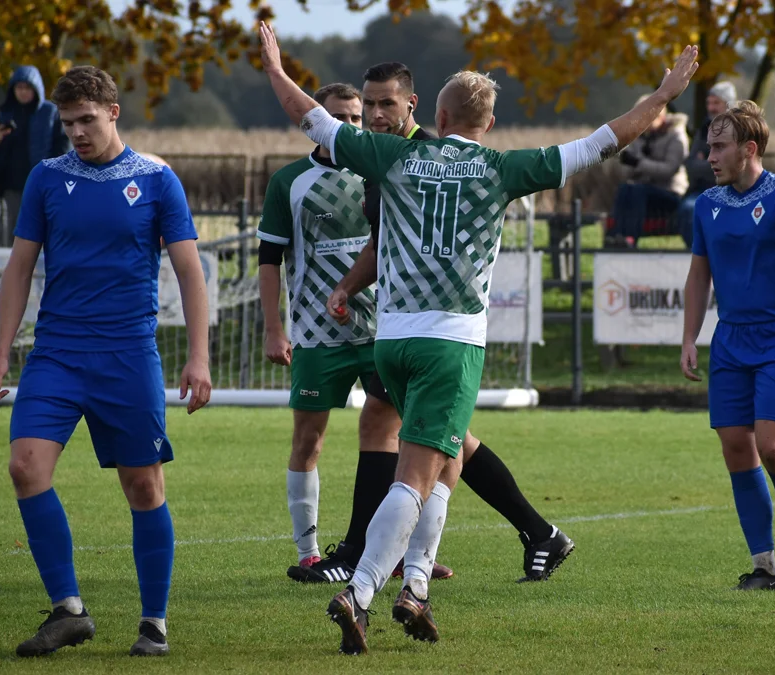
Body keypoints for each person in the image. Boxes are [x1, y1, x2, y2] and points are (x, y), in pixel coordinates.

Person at [260, 21, 699, 654]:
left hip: (393, 336)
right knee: (416, 475)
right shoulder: (504, 169)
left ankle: (415, 588)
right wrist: (662, 96)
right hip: (452, 342)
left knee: (442, 466)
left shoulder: (396, 155)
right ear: (488, 124)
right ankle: (359, 593)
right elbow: (606, 140)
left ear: (434, 114)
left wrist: (276, 68)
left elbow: (310, 117)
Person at [299, 61, 574, 589]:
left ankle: (368, 557)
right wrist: (348, 287)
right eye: (366, 105)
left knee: (387, 423)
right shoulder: (384, 158)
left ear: (415, 107)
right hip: (409, 325)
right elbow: (382, 243)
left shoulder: (420, 159)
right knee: (446, 438)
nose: (373, 115)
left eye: (383, 105)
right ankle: (533, 533)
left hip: (430, 327)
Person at [0, 65, 213, 658]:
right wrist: (3, 350)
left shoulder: (157, 179)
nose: (77, 133)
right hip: (56, 353)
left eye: (87, 119)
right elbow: (20, 266)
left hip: (127, 355)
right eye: (68, 123)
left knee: (143, 484)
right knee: (25, 466)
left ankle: (154, 623)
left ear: (113, 112)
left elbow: (189, 270)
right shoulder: (46, 177)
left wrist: (199, 358)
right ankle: (68, 610)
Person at [256, 82, 449, 582]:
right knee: (309, 441)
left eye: (357, 118)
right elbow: (268, 259)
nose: (349, 126)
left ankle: (407, 554)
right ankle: (310, 552)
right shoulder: (289, 182)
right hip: (316, 337)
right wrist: (274, 329)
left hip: (381, 333)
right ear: (314, 122)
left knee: (415, 442)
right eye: (339, 116)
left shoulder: (380, 171)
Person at [680, 100, 775, 593]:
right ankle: (763, 567)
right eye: (708, 146)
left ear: (750, 148)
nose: (709, 156)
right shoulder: (708, 204)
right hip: (731, 341)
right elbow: (699, 277)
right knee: (737, 448)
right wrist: (689, 338)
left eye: (719, 147)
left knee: (773, 449)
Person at [0, 66, 69, 245]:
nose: (23, 92)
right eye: (19, 88)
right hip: (14, 184)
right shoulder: (7, 112)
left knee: (46, 227)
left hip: (43, 183)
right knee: (17, 231)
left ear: (36, 89)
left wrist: (54, 173)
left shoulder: (49, 112)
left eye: (27, 88)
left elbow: (62, 144)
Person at [606, 99, 690, 248]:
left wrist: (639, 163)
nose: (642, 123)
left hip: (670, 193)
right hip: (644, 192)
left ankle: (630, 239)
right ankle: (613, 237)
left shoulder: (676, 136)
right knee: (625, 189)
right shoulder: (639, 136)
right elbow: (626, 172)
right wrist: (627, 162)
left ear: (661, 117)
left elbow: (669, 170)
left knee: (637, 191)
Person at [678, 81, 737, 248]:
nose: (711, 108)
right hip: (701, 189)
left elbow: (732, 167)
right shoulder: (705, 127)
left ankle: (713, 253)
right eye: (709, 103)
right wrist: (711, 164)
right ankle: (697, 254)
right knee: (687, 209)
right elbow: (690, 165)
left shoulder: (737, 128)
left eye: (716, 103)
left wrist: (703, 160)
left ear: (728, 104)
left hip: (730, 189)